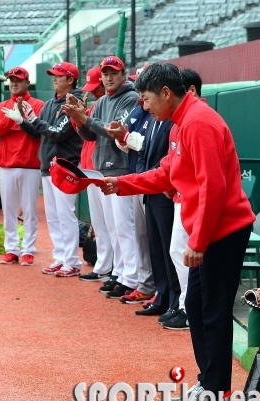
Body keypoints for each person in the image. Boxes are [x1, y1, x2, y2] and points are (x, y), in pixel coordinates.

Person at [100, 63, 255, 401]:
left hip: (223, 231)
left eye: (146, 98)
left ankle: (214, 396)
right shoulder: (180, 124)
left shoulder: (198, 123)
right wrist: (121, 184)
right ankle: (211, 385)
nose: (143, 105)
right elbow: (166, 172)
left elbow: (213, 188)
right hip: (212, 228)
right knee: (199, 308)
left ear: (166, 93)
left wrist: (198, 241)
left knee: (211, 311)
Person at [62, 56, 140, 298]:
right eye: (105, 73)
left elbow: (113, 130)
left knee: (125, 228)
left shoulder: (130, 97)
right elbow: (90, 136)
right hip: (104, 170)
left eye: (113, 73)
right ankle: (120, 272)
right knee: (113, 227)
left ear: (123, 73)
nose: (108, 77)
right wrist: (79, 117)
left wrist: (86, 118)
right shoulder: (103, 100)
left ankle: (131, 277)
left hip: (123, 171)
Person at [4, 62, 84, 276]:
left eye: (59, 75)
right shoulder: (51, 103)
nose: (54, 78)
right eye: (53, 75)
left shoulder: (73, 102)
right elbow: (39, 133)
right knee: (53, 216)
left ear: (70, 79)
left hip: (67, 166)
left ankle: (72, 261)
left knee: (66, 215)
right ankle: (60, 257)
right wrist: (22, 121)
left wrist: (32, 119)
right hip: (48, 165)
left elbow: (57, 132)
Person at [105, 68, 156, 303]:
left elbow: (150, 145)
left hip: (154, 182)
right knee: (141, 236)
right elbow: (130, 147)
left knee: (154, 239)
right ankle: (146, 285)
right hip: (139, 178)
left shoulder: (158, 115)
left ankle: (157, 289)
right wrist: (121, 138)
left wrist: (125, 138)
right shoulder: (138, 110)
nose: (141, 92)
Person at [160, 68, 205, 330]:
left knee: (185, 254)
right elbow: (173, 165)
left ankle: (189, 308)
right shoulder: (179, 123)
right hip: (180, 195)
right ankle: (185, 306)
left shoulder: (198, 120)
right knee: (176, 252)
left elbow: (209, 181)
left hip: (193, 200)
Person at [0, 67, 45, 266]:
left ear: (27, 82)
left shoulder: (38, 105)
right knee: (9, 210)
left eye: (18, 80)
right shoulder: (2, 106)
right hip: (7, 165)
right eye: (11, 80)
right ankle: (11, 249)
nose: (14, 83)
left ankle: (28, 250)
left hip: (30, 165)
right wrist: (10, 117)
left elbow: (38, 133)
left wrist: (21, 119)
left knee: (30, 211)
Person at [77, 66, 114, 283]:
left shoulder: (111, 105)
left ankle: (113, 269)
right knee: (99, 224)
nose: (92, 92)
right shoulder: (95, 105)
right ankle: (102, 266)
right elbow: (86, 135)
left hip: (105, 171)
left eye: (96, 88)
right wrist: (79, 117)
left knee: (113, 224)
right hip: (90, 168)